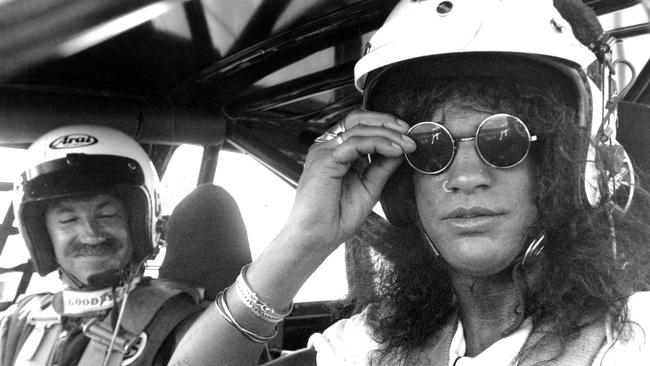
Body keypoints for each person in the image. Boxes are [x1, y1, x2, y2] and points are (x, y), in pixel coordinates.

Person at [169, 0, 650, 364]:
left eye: (502, 140)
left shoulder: (632, 337)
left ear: (565, 163)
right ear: (402, 181)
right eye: (430, 148)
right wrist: (302, 242)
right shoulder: (375, 344)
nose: (465, 177)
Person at [0, 125, 204, 366]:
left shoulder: (184, 328)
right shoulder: (17, 321)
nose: (90, 235)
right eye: (68, 220)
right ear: (43, 236)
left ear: (138, 225)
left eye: (107, 215)